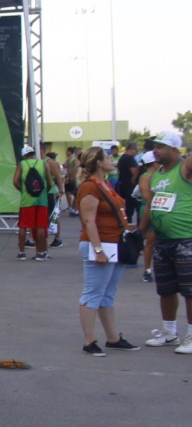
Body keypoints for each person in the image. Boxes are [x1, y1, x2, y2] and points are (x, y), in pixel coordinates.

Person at [75, 146, 137, 355]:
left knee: (107, 294)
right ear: (99, 163)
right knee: (92, 294)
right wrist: (98, 249)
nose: (113, 160)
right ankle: (89, 341)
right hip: (101, 245)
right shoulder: (90, 187)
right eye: (109, 157)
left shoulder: (106, 184)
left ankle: (113, 338)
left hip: (113, 244)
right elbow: (88, 221)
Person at [140, 131, 192, 352]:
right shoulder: (156, 175)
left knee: (190, 291)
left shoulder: (184, 169)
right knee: (165, 290)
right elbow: (151, 205)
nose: (155, 150)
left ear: (174, 150)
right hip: (162, 241)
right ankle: (170, 333)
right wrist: (140, 230)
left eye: (160, 147)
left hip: (186, 239)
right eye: (154, 146)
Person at [13, 144, 50, 260]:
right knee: (40, 226)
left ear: (24, 155)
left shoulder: (21, 164)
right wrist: (44, 192)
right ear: (33, 153)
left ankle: (22, 253)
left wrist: (23, 190)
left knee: (23, 226)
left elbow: (15, 181)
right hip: (41, 200)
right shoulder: (44, 164)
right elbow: (50, 183)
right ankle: (41, 253)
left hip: (26, 200)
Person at [134, 150, 160, 282]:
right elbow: (146, 196)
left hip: (161, 210)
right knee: (150, 241)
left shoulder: (160, 174)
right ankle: (147, 270)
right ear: (153, 162)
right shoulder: (145, 176)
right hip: (149, 210)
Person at [116, 142, 139, 223]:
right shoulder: (130, 159)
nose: (137, 153)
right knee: (131, 208)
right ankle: (129, 226)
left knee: (125, 208)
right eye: (137, 150)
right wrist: (134, 180)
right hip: (129, 187)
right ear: (132, 149)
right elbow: (134, 172)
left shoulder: (122, 158)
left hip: (122, 185)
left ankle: (125, 223)